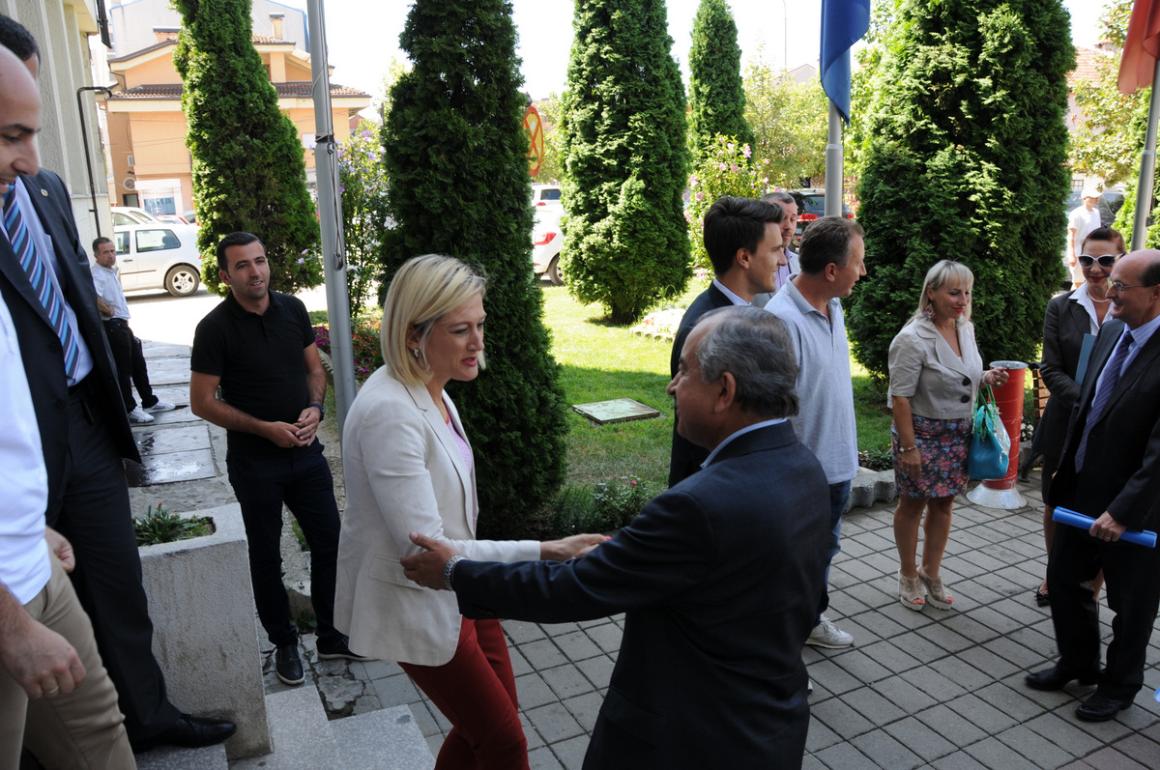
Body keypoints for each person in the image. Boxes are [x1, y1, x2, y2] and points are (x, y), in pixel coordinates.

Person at [401, 305, 830, 770]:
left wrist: (453, 572)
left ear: (724, 391)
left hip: (686, 743)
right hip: (770, 732)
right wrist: (635, 556)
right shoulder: (804, 468)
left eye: (684, 372)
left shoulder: (698, 507)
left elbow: (570, 590)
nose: (671, 386)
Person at [0, 34, 234, 750]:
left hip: (89, 422)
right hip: (24, 443)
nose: (30, 154)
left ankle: (150, 717)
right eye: (12, 132)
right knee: (42, 601)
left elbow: (74, 297)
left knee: (116, 582)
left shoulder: (44, 188)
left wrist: (117, 406)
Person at [333, 254, 606, 769]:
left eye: (480, 324)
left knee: (488, 729)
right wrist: (546, 551)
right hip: (422, 598)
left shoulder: (431, 390)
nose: (478, 342)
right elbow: (428, 552)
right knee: (503, 741)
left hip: (465, 589)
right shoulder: (391, 411)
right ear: (414, 335)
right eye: (460, 330)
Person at [191, 232, 363, 686]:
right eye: (243, 265)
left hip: (306, 454)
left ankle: (331, 635)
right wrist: (264, 428)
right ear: (226, 276)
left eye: (260, 260)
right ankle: (284, 642)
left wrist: (316, 409)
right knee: (266, 556)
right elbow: (202, 402)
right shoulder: (214, 329)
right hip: (254, 464)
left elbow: (314, 370)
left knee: (331, 543)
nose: (256, 272)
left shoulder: (293, 310)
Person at [0, 284, 135, 768]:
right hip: (7, 604)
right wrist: (11, 626)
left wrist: (24, 525)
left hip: (33, 563)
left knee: (101, 735)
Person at [1026, 250, 1160, 722]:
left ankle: (1120, 686)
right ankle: (1079, 663)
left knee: (1131, 603)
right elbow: (1088, 409)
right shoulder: (1110, 332)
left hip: (1137, 508)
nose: (1108, 290)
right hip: (1082, 490)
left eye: (1121, 285)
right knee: (1065, 580)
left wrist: (1123, 512)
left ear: (1156, 293)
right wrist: (1065, 473)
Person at [764, 216, 864, 649]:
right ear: (832, 270)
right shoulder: (781, 321)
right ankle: (783, 643)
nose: (862, 271)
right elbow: (771, 411)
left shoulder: (834, 307)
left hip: (836, 464)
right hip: (803, 474)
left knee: (822, 553)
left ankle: (809, 620)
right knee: (793, 561)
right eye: (858, 263)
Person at [887, 260, 1009, 610]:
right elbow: (900, 397)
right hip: (921, 435)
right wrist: (909, 447)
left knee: (944, 504)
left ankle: (931, 571)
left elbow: (963, 374)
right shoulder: (911, 339)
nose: (963, 300)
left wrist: (986, 378)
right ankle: (908, 574)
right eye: (954, 293)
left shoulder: (964, 328)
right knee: (912, 504)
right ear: (931, 293)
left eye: (967, 292)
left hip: (958, 434)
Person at [1030, 226, 1123, 607]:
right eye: (1087, 260)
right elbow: (1050, 369)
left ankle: (1091, 586)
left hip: (1115, 426)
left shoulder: (1131, 307)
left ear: (1121, 260)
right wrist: (1088, 401)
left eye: (1105, 260)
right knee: (1056, 501)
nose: (1095, 269)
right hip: (1065, 420)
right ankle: (1055, 574)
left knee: (1103, 504)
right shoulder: (1061, 306)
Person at [669, 195, 784, 485]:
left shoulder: (738, 316)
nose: (783, 261)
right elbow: (699, 433)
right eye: (775, 250)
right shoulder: (705, 330)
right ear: (744, 257)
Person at [90, 236, 176, 424]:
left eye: (112, 251)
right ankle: (129, 408)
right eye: (106, 252)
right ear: (96, 255)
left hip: (122, 325)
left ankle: (149, 401)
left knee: (138, 364)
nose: (111, 255)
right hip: (113, 326)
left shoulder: (110, 272)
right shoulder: (97, 274)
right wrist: (107, 310)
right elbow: (92, 295)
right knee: (124, 370)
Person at [754, 191, 801, 304]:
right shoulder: (751, 263)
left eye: (793, 219)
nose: (788, 226)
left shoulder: (801, 265)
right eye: (782, 219)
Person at [1067, 186, 1102, 288]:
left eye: (1097, 197)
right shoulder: (1076, 214)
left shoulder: (1096, 213)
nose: (1096, 199)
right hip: (1079, 252)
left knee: (1089, 281)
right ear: (1085, 198)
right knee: (1077, 282)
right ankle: (1074, 298)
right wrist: (1072, 255)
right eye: (1093, 197)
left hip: (1093, 252)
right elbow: (1071, 235)